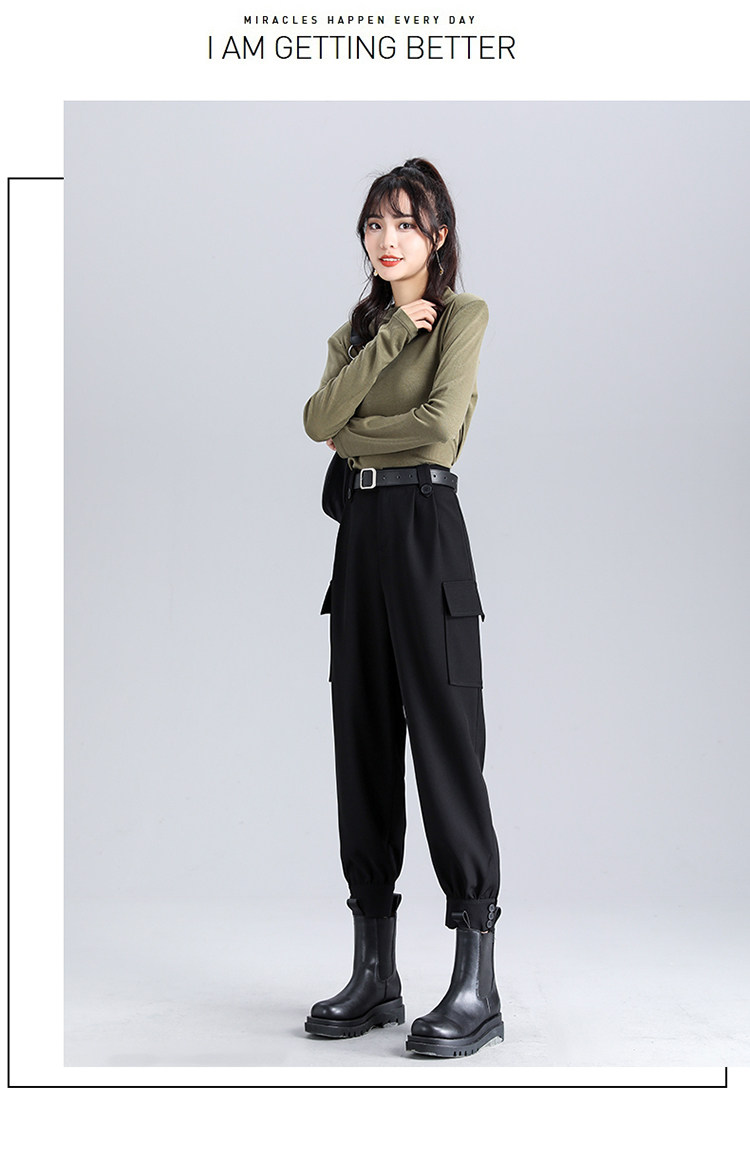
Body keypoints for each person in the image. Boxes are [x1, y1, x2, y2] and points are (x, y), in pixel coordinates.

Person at [302, 158, 503, 1058]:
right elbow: (318, 422)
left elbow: (438, 429)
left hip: (426, 531)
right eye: (376, 224)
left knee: (448, 749)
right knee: (364, 746)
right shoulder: (354, 334)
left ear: (438, 235)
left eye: (407, 223)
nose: (389, 239)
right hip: (361, 544)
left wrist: (357, 436)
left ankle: (476, 984)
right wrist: (385, 342)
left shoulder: (464, 317)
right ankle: (376, 972)